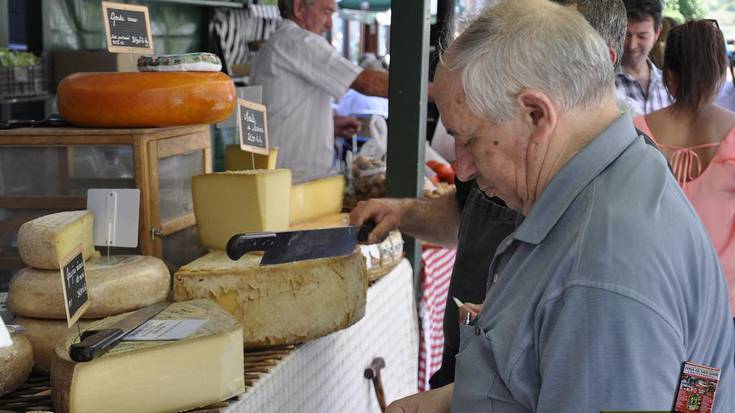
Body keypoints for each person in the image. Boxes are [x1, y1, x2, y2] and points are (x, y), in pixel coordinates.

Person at [386, 0, 735, 411]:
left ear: (536, 115)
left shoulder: (602, 268)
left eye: (470, 139)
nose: (461, 169)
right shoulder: (614, 178)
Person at [351, 0, 631, 390]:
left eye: (545, 37)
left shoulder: (612, 224)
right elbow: (466, 212)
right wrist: (403, 212)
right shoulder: (515, 143)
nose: (464, 167)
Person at [632, 20, 735, 316]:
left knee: (662, 364)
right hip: (723, 303)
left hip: (651, 296)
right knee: (710, 365)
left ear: (670, 74)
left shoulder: (634, 132)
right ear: (718, 72)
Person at [251, 0, 393, 175]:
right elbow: (368, 83)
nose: (330, 24)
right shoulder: (300, 40)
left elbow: (281, 111)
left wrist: (328, 125)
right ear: (299, 8)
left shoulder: (278, 43)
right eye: (326, 12)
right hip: (293, 178)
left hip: (281, 174)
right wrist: (433, 90)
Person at [616, 0, 673, 115]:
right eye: (626, 35)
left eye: (642, 36)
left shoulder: (669, 85)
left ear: (657, 32)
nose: (632, 45)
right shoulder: (604, 84)